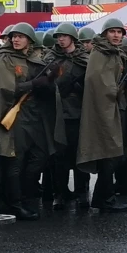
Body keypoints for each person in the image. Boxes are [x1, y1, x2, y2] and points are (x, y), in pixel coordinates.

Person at [78, 18, 127, 213]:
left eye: (119, 32)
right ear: (105, 34)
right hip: (105, 111)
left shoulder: (115, 52)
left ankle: (104, 197)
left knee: (115, 154)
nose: (116, 35)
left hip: (118, 109)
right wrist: (120, 87)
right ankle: (104, 199)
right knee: (109, 154)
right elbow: (98, 83)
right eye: (112, 31)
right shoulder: (100, 53)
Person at [0, 22, 55, 220]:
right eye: (14, 36)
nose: (16, 39)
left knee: (39, 157)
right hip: (15, 116)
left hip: (35, 116)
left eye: (20, 36)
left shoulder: (34, 59)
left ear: (29, 40)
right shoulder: (5, 58)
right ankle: (15, 204)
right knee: (15, 160)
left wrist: (49, 82)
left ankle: (27, 196)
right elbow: (7, 89)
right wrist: (33, 83)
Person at [48, 23, 88, 210]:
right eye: (58, 36)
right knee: (59, 157)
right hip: (57, 113)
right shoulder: (52, 58)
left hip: (78, 113)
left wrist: (80, 87)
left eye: (64, 36)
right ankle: (60, 193)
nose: (61, 39)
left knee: (80, 154)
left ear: (72, 37)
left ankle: (82, 192)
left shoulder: (84, 59)